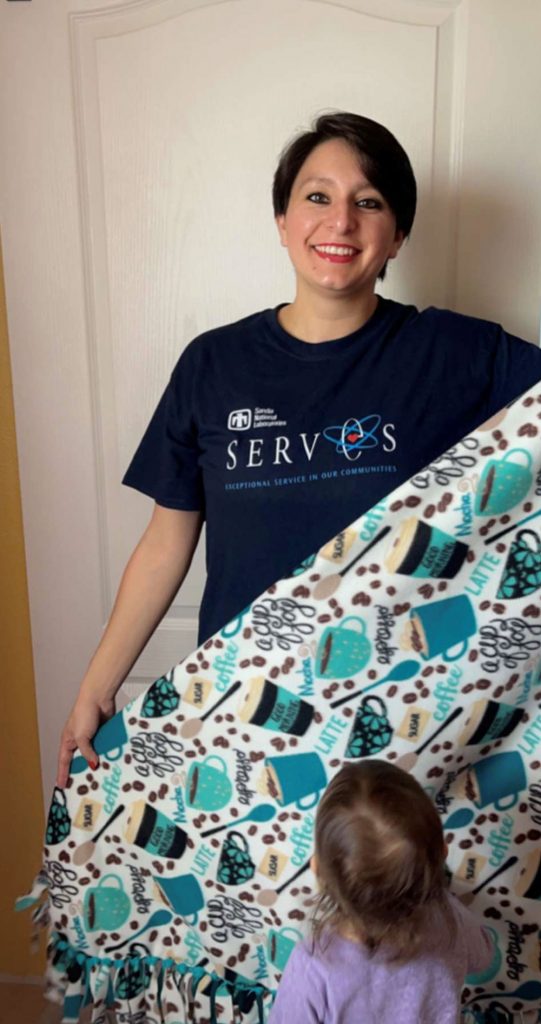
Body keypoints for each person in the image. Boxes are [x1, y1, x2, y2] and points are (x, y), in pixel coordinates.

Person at [55, 111, 541, 787]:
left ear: (396, 235)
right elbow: (168, 541)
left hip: (404, 722)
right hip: (244, 709)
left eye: (367, 203)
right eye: (317, 197)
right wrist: (96, 687)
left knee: (394, 893)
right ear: (281, 221)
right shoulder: (212, 364)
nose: (340, 222)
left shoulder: (453, 354)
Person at [268, 760, 495, 1024]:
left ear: (318, 870)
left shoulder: (313, 965)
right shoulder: (450, 916)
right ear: (442, 855)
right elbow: (484, 959)